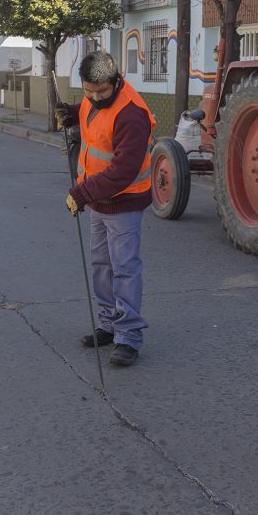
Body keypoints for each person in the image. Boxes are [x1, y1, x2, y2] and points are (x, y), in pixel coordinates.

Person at [55, 51, 156, 366]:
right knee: (101, 265)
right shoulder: (92, 97)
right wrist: (71, 112)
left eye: (102, 92)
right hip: (99, 200)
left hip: (124, 201)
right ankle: (109, 325)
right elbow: (91, 113)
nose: (95, 98)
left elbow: (123, 170)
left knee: (124, 268)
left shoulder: (132, 114)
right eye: (89, 92)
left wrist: (82, 192)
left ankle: (128, 337)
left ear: (117, 81)